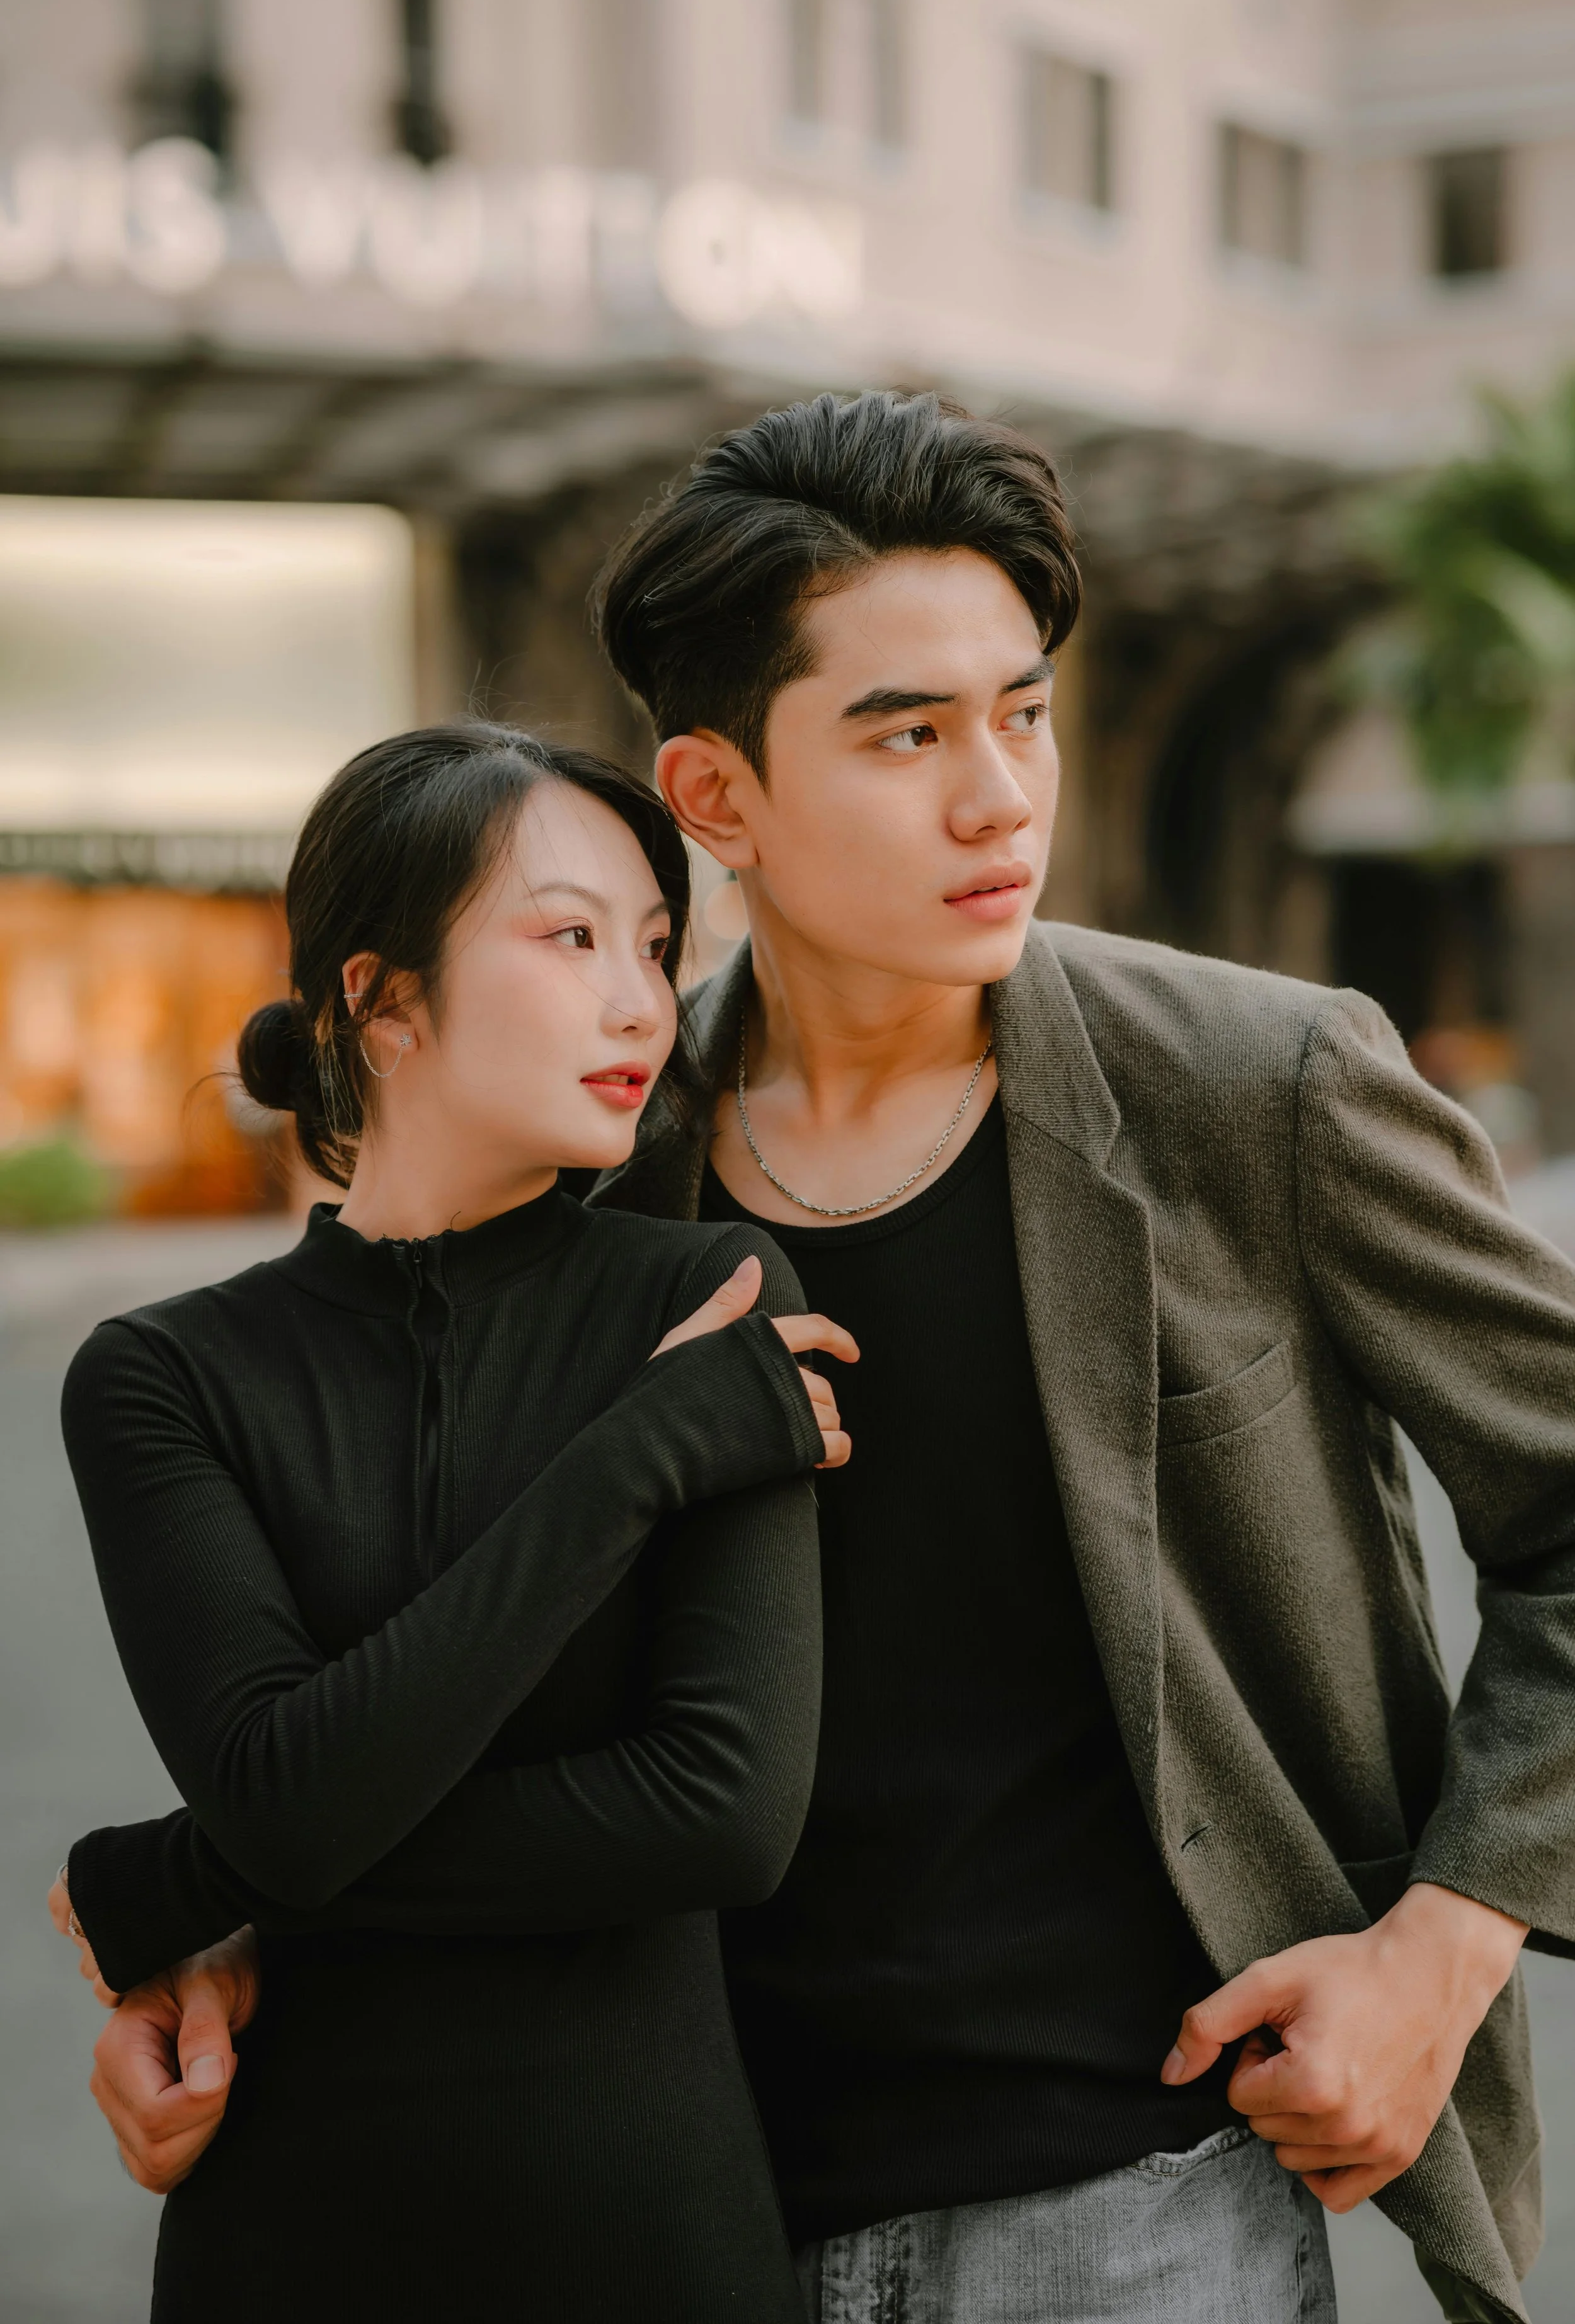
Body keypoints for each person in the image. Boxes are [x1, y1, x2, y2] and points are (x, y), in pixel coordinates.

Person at [62, 396, 1575, 2324]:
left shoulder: (1252, 1087)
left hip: (1135, 2203)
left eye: (1021, 712)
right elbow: (447, 1638)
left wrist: (1436, 1949)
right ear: (712, 796)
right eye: (906, 733)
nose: (999, 797)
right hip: (684, 2209)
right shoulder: (600, 1158)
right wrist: (234, 1914)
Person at [49, 722, 859, 2323]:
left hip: (648, 2245)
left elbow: (720, 1809)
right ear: (382, 998)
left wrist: (175, 1876)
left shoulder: (707, 1295)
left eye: (651, 945)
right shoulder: (164, 1378)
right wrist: (630, 1461)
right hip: (290, 2246)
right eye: (569, 938)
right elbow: (288, 1805)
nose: (641, 1000)